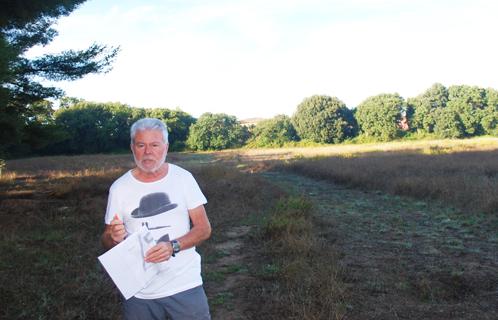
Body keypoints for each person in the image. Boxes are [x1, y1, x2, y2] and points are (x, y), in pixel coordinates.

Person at [101, 118, 212, 320]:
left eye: (154, 145)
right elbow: (107, 240)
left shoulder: (183, 179)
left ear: (166, 147)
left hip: (184, 285)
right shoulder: (119, 188)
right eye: (141, 145)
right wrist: (113, 237)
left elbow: (203, 229)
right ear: (132, 147)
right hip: (138, 292)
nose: (147, 152)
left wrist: (173, 246)